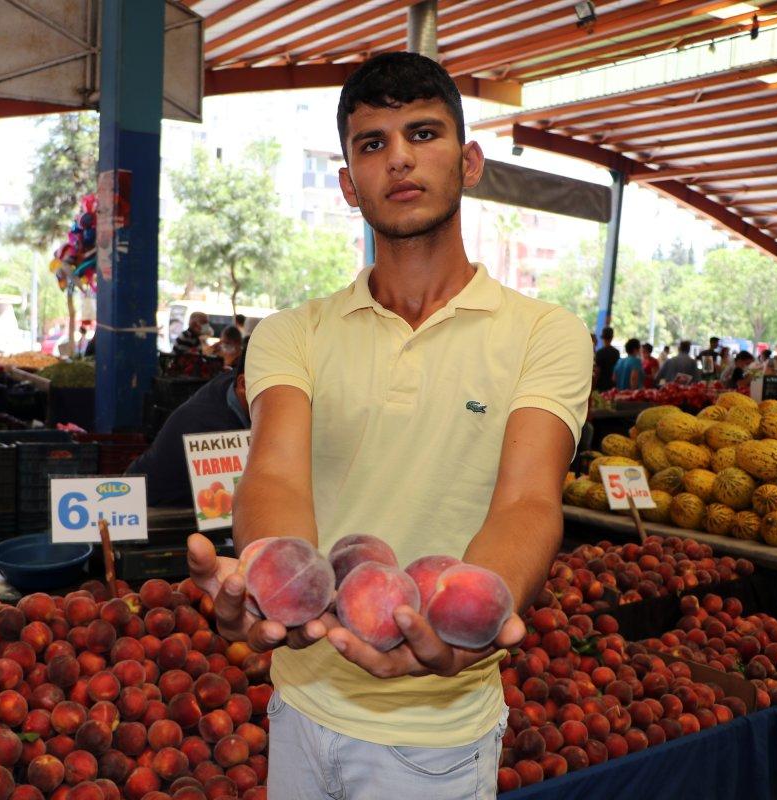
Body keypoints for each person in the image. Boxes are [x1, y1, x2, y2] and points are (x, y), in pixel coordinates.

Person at [186, 52, 591, 798]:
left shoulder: (546, 334)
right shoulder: (292, 332)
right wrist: (271, 577)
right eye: (373, 143)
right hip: (301, 699)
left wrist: (471, 612)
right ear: (348, 184)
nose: (399, 157)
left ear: (468, 162)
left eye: (424, 133)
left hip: (437, 734)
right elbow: (275, 472)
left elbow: (529, 501)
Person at [127, 338, 251, 507]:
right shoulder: (210, 429)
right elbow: (226, 511)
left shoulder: (234, 386)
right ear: (243, 384)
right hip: (151, 511)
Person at [593, 326, 619, 392]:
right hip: (612, 384)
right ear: (612, 337)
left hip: (601, 384)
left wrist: (593, 385)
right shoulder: (616, 352)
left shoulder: (600, 353)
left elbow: (597, 371)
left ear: (602, 338)